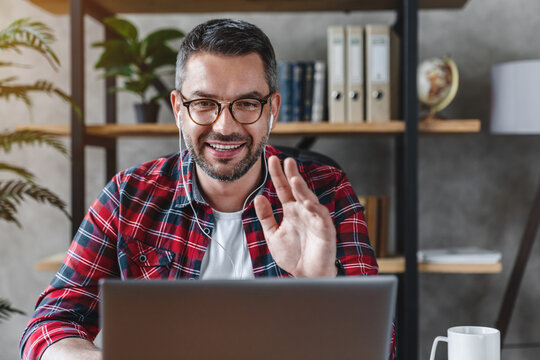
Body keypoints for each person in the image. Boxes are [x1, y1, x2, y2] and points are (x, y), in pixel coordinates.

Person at [20, 19, 395, 360]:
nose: (224, 126)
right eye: (204, 104)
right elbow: (50, 323)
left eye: (246, 103)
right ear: (179, 110)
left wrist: (321, 285)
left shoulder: (325, 193)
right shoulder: (128, 194)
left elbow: (382, 347)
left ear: (273, 110)